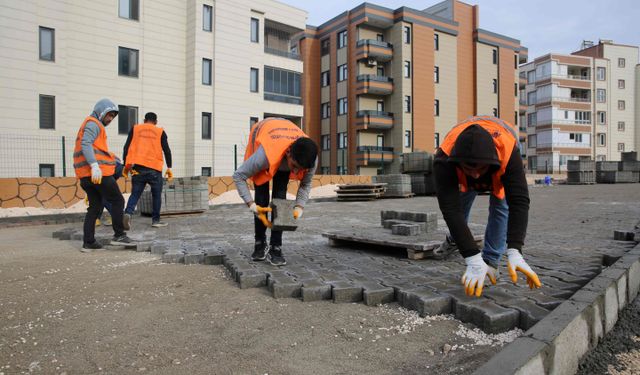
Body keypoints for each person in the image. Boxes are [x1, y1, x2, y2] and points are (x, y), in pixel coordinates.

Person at [433, 115, 541, 297]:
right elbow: (450, 209)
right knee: (461, 201)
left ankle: (491, 261)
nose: (475, 176)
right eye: (469, 169)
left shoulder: (508, 152)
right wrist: (472, 257)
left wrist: (515, 249)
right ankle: (456, 240)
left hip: (501, 142)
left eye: (479, 170)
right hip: (463, 155)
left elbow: (519, 201)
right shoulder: (444, 159)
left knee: (501, 204)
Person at [232, 118, 318, 266]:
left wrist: (299, 206)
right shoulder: (264, 155)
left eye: (300, 169)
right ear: (289, 153)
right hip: (265, 136)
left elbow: (305, 184)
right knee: (261, 198)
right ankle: (259, 243)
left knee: (280, 199)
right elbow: (238, 175)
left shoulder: (311, 159)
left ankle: (276, 247)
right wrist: (250, 204)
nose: (296, 172)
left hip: (284, 138)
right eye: (294, 166)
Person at [73, 98, 134, 252]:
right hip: (97, 174)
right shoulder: (94, 123)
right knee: (118, 200)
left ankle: (89, 242)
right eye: (109, 115)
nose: (110, 119)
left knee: (95, 207)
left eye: (113, 116)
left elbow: (96, 149)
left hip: (86, 177)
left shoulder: (91, 124)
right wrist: (94, 165)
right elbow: (86, 144)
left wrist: (112, 157)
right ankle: (119, 235)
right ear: (101, 111)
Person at [122, 112, 173, 229]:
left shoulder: (135, 129)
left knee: (135, 193)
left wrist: (126, 166)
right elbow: (167, 150)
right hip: (154, 168)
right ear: (155, 122)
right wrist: (169, 167)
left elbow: (126, 147)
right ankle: (155, 220)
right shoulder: (160, 131)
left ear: (144, 120)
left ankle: (128, 213)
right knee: (156, 195)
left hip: (138, 167)